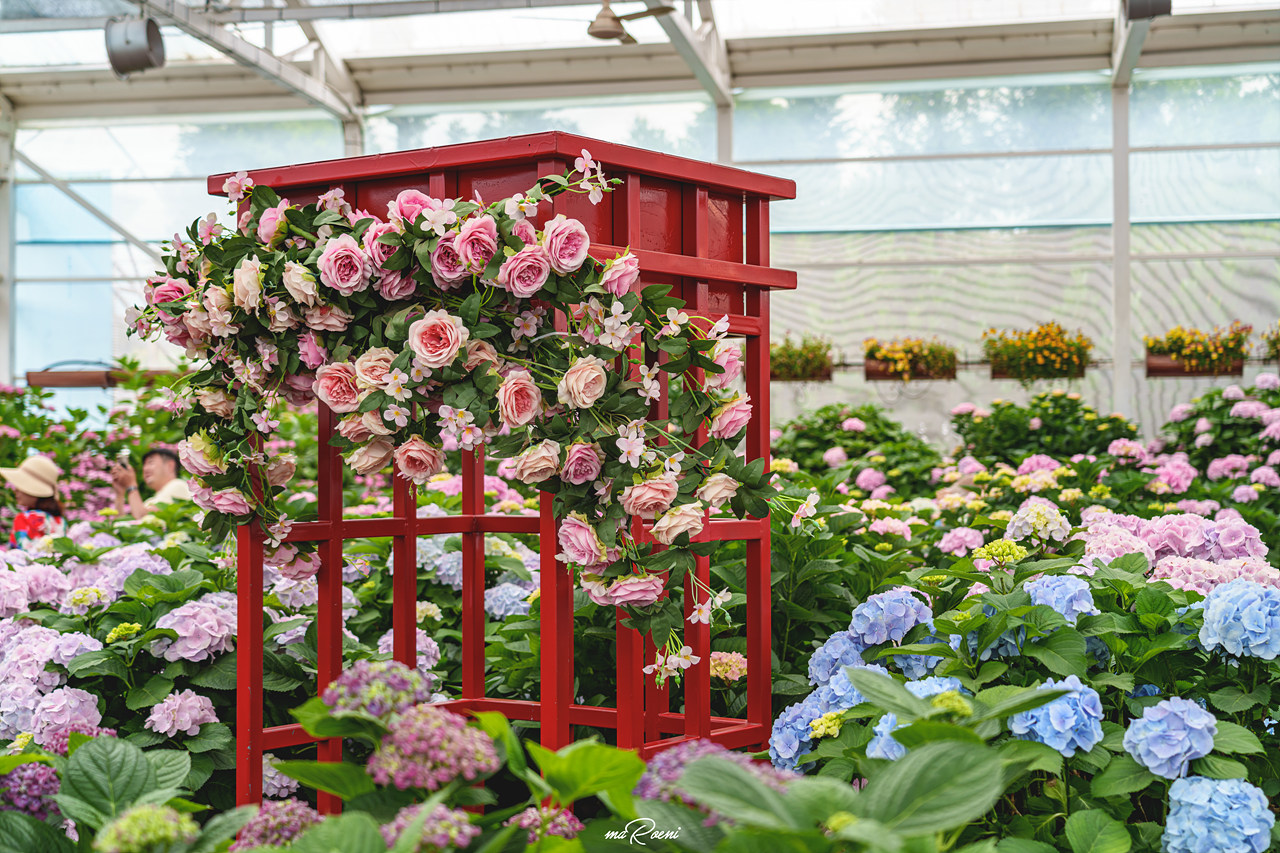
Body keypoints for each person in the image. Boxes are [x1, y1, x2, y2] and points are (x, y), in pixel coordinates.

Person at [1, 456, 67, 549]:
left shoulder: (23, 519)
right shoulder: (60, 521)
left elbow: (22, 556)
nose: (16, 490)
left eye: (21, 484)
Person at [111, 447, 191, 520]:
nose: (145, 469)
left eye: (150, 463)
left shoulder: (177, 485)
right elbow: (123, 527)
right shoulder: (150, 501)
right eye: (144, 465)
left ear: (170, 465)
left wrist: (131, 485)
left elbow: (143, 519)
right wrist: (119, 494)